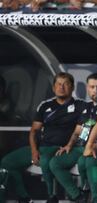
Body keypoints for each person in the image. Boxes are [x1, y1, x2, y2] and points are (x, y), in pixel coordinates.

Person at [1, 72, 86, 203]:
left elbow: (84, 129)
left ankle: (53, 196)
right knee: (7, 162)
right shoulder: (45, 105)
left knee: (46, 160)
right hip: (42, 147)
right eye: (58, 84)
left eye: (65, 84)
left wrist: (72, 145)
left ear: (72, 87)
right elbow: (34, 131)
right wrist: (34, 151)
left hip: (62, 149)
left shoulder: (80, 106)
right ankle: (24, 197)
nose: (61, 87)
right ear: (53, 88)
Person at [49, 73, 97, 202]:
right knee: (55, 163)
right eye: (92, 87)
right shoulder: (86, 107)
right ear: (87, 88)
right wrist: (69, 145)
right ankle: (78, 196)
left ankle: (89, 191)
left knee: (86, 162)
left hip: (96, 148)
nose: (95, 90)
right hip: (79, 147)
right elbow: (77, 131)